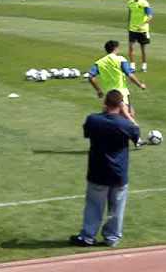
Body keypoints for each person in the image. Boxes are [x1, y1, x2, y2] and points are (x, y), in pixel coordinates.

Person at [70, 90, 140, 248]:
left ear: (105, 103)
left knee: (94, 206)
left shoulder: (93, 120)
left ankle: (88, 236)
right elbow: (137, 133)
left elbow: (87, 132)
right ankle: (112, 238)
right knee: (117, 209)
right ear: (121, 104)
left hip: (98, 171)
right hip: (119, 173)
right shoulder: (126, 125)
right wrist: (128, 115)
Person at [89, 40, 146, 122]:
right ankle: (132, 132)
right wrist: (140, 85)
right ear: (115, 48)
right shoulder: (120, 59)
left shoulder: (99, 62)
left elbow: (90, 77)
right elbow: (129, 75)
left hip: (109, 95)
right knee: (128, 116)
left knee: (109, 117)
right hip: (121, 93)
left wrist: (98, 90)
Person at [127, 0, 153, 72]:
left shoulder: (144, 3)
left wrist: (144, 23)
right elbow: (130, 14)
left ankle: (144, 65)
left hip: (142, 30)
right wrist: (129, 25)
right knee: (131, 47)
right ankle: (132, 66)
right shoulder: (130, 3)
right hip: (132, 29)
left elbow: (150, 15)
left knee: (143, 49)